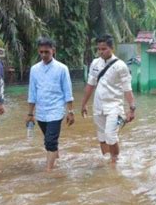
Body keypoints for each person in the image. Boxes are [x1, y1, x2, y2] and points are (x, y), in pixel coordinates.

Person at [81, 34, 135, 164]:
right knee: (102, 137)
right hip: (98, 107)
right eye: (99, 49)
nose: (100, 52)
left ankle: (115, 162)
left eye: (104, 49)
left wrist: (132, 109)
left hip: (115, 108)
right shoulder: (95, 63)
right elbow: (90, 85)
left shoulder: (121, 66)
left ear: (112, 48)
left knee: (111, 135)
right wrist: (83, 104)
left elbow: (127, 89)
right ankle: (106, 163)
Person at [26, 37, 74, 171]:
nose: (44, 55)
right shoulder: (34, 69)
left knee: (50, 141)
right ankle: (56, 159)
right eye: (41, 52)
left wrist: (70, 112)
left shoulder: (62, 68)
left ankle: (48, 171)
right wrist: (30, 114)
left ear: (53, 51)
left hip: (56, 110)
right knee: (49, 140)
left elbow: (67, 92)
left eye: (46, 52)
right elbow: (32, 93)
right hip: (41, 112)